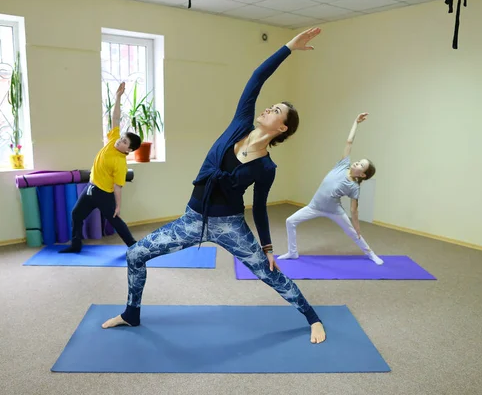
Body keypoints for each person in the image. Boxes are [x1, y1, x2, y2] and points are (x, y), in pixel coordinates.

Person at [102, 28, 327, 344]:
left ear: (282, 127)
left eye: (275, 111)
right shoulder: (240, 124)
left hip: (231, 226)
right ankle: (131, 314)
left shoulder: (266, 167)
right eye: (270, 106)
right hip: (192, 220)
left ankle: (313, 319)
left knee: (269, 273)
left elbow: (260, 207)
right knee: (135, 255)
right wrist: (289, 47)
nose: (267, 109)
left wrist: (268, 247)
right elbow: (256, 78)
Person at [277, 113, 384, 265]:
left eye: (361, 165)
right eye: (359, 161)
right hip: (314, 206)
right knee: (290, 221)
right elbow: (349, 142)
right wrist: (356, 123)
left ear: (363, 174)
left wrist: (357, 227)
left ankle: (371, 254)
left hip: (334, 211)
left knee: (353, 234)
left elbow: (354, 210)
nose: (357, 163)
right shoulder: (343, 165)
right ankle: (292, 252)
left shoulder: (354, 187)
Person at [59, 82, 142, 254]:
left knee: (115, 220)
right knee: (76, 214)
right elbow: (115, 118)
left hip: (104, 194)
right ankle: (76, 245)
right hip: (90, 188)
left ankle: (134, 247)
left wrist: (118, 206)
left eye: (125, 142)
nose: (121, 141)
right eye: (122, 138)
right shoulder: (113, 141)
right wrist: (118, 97)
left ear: (129, 150)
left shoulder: (120, 163)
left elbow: (118, 187)